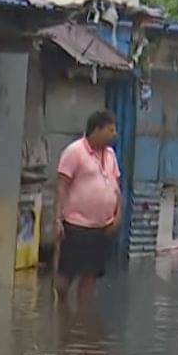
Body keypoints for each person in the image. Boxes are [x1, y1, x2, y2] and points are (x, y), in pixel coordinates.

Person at [55, 110, 121, 305]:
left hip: (102, 227)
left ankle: (84, 319)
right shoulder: (74, 152)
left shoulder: (110, 155)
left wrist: (117, 216)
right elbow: (61, 186)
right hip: (76, 225)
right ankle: (61, 311)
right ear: (97, 130)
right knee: (66, 275)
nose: (114, 134)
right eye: (110, 130)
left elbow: (117, 187)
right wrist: (57, 219)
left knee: (91, 275)